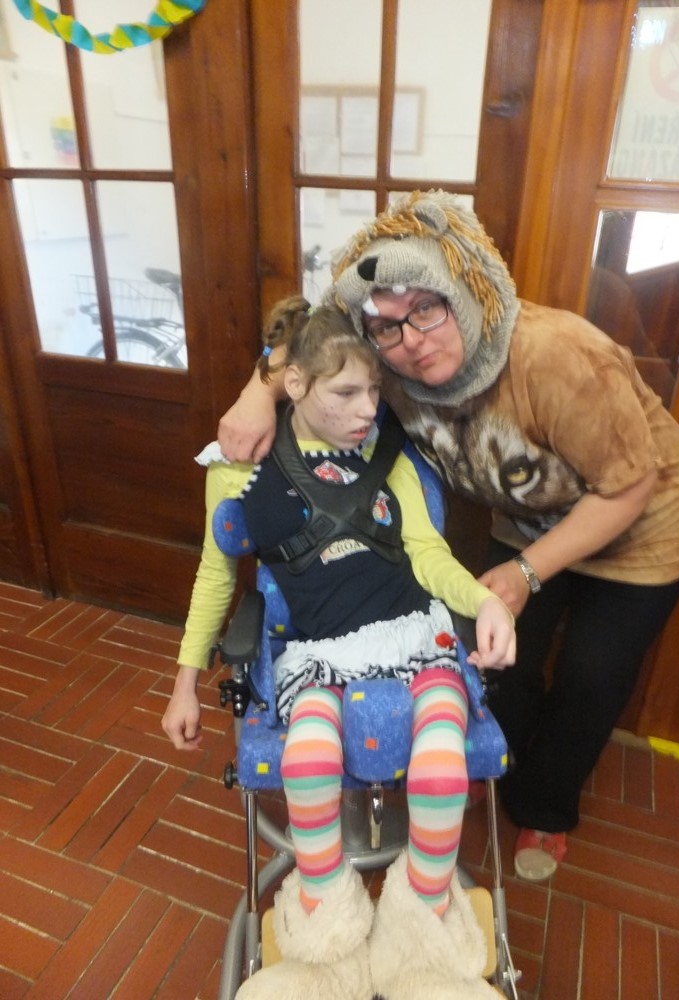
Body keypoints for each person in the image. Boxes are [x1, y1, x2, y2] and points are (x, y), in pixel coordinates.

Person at [217, 190, 679, 885]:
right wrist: (256, 392)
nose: (412, 339)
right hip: (531, 515)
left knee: (591, 674)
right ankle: (490, 769)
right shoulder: (383, 352)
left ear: (465, 290)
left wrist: (527, 573)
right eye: (389, 325)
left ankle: (544, 807)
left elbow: (630, 485)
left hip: (642, 524)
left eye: (428, 308)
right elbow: (309, 341)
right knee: (501, 657)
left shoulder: (559, 355)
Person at [162, 296, 516, 1000]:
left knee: (443, 766)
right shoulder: (239, 469)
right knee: (307, 759)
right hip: (318, 654)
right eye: (347, 393)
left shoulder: (388, 454)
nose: (367, 411)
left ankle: (422, 931)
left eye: (374, 392)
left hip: (414, 638)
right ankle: (327, 936)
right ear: (294, 384)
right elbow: (214, 577)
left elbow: (428, 554)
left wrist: (487, 603)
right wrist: (184, 684)